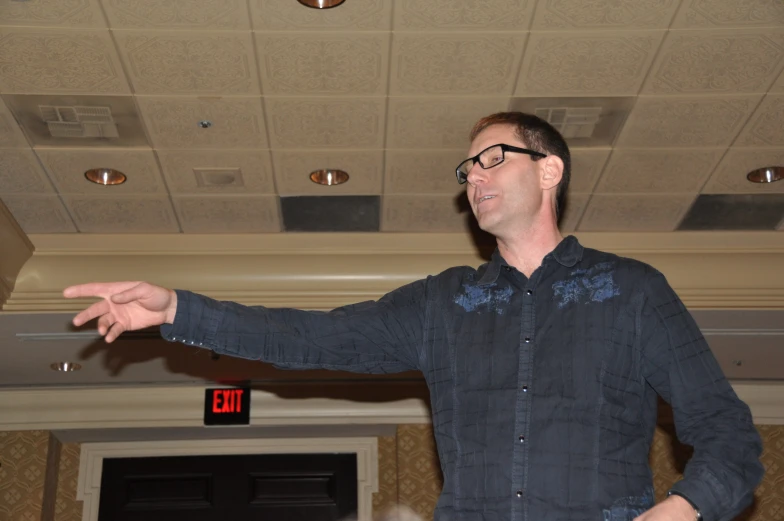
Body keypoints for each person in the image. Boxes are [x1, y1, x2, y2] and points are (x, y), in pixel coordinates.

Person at [64, 112, 764, 521]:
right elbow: (310, 336)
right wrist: (181, 308)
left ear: (549, 170)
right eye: (468, 170)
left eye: (493, 158)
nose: (475, 177)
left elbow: (729, 434)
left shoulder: (631, 290)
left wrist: (679, 511)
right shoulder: (442, 304)